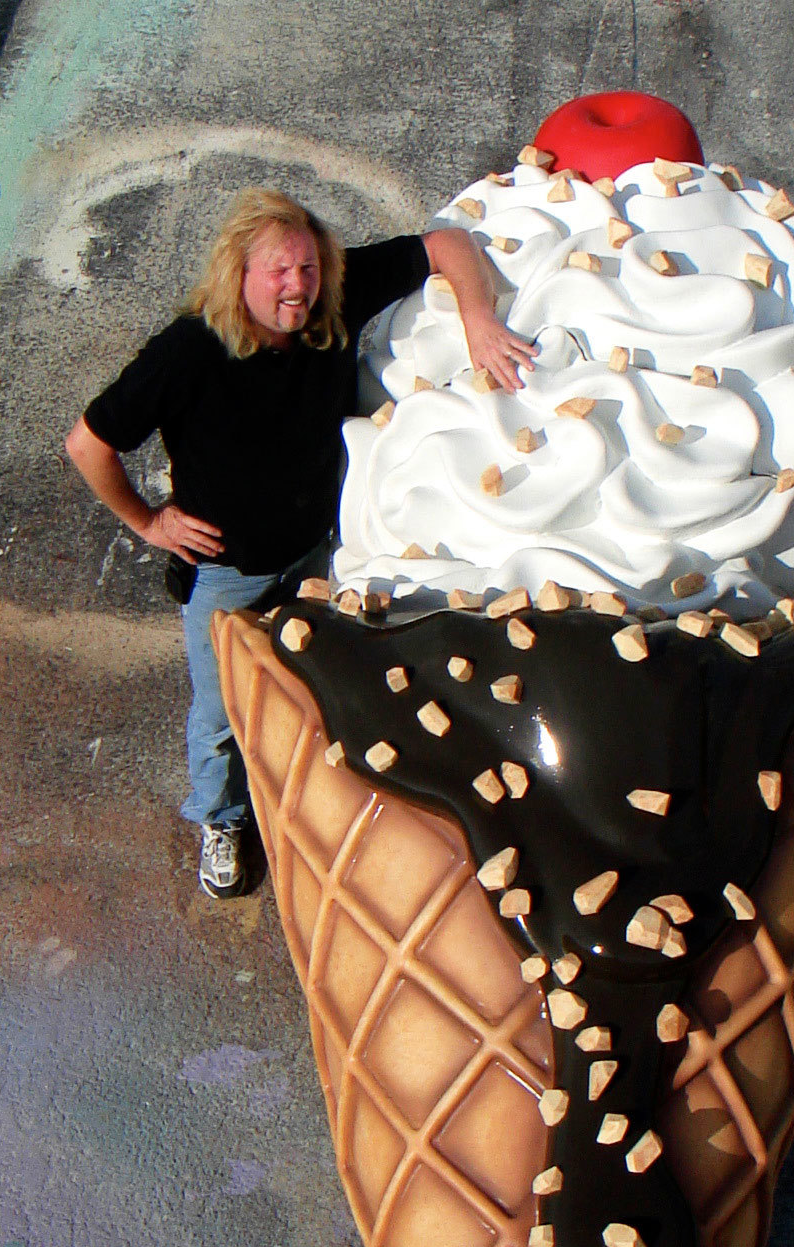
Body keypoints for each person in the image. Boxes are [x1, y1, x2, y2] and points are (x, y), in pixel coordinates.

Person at [66, 187, 536, 898]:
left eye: (308, 269)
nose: (297, 288)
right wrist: (149, 522)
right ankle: (221, 819)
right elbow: (88, 443)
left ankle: (332, 791)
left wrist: (476, 318)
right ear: (239, 274)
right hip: (228, 569)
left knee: (330, 676)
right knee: (221, 707)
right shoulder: (189, 351)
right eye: (279, 273)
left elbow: (446, 244)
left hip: (321, 551)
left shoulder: (329, 301)